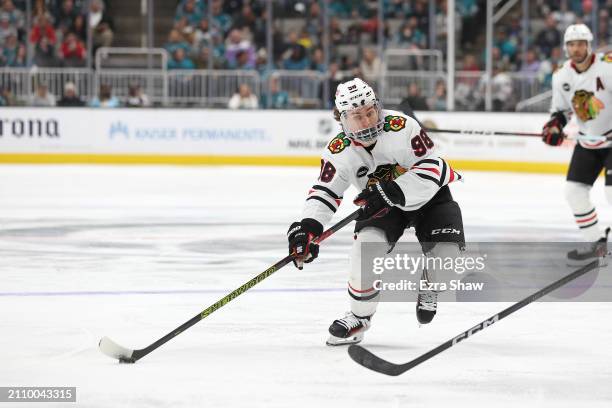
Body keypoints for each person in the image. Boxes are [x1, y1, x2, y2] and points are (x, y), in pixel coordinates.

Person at [286, 78, 464, 346]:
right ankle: (359, 318)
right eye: (358, 116)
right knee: (363, 251)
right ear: (342, 119)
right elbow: (325, 192)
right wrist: (308, 228)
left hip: (427, 197)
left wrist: (391, 191)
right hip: (383, 206)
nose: (368, 121)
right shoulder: (338, 150)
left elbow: (435, 168)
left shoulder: (403, 125)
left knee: (448, 259)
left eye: (370, 111)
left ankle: (431, 282)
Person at [541, 24, 612, 264]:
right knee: (574, 192)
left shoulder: (608, 67)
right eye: (572, 44)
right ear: (566, 47)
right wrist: (554, 126)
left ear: (589, 45)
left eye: (581, 43)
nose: (576, 48)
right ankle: (596, 243)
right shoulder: (561, 75)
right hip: (588, 141)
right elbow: (560, 111)